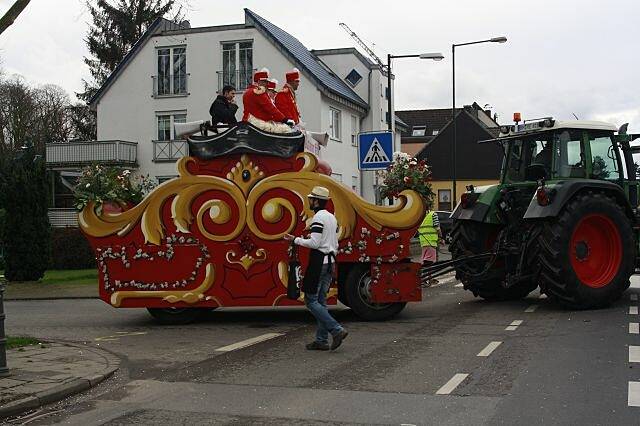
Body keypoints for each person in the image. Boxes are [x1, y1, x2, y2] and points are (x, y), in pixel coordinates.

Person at [284, 186, 348, 351]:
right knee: (321, 301)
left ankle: (336, 329)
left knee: (310, 300)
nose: (309, 201)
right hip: (331, 262)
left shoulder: (318, 219)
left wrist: (295, 240)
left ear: (317, 201)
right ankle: (321, 340)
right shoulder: (331, 218)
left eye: (311, 199)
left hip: (319, 261)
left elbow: (315, 243)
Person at [418, 208, 442, 284]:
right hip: (431, 241)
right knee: (429, 262)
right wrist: (441, 237)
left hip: (423, 241)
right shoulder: (433, 214)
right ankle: (423, 280)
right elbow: (437, 227)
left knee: (426, 260)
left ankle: (429, 278)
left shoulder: (420, 216)